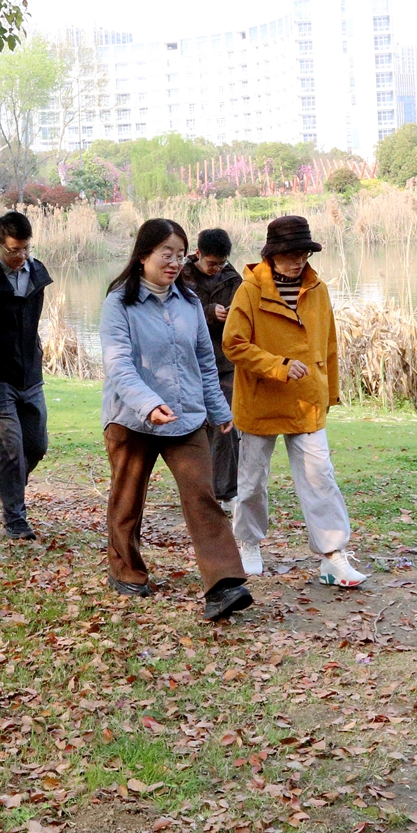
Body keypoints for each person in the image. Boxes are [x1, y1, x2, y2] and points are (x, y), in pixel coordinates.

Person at [99, 219, 253, 621]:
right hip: (131, 419)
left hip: (185, 417)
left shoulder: (188, 302)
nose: (173, 262)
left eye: (180, 254)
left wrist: (219, 409)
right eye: (165, 253)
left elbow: (204, 361)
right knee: (128, 499)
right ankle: (126, 570)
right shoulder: (119, 303)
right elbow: (119, 365)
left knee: (202, 494)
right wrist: (148, 404)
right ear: (143, 255)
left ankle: (223, 584)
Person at [222, 214, 366, 588]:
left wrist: (329, 392)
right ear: (271, 255)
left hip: (307, 401)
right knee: (252, 481)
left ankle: (333, 556)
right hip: (261, 399)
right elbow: (233, 344)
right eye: (290, 255)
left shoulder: (317, 289)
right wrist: (278, 366)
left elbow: (329, 344)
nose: (298, 261)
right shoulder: (249, 290)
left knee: (320, 478)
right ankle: (249, 542)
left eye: (303, 254)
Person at [0, 210, 53, 540]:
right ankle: (15, 518)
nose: (22, 256)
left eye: (27, 248)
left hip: (30, 373)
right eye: (15, 250)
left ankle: (7, 482)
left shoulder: (37, 272)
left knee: (37, 446)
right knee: (11, 447)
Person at [179, 227, 244, 510]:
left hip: (226, 362)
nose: (217, 268)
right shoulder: (181, 276)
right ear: (198, 254)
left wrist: (232, 315)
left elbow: (245, 313)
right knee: (197, 427)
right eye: (211, 263)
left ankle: (227, 491)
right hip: (191, 364)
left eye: (221, 263)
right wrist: (208, 312)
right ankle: (200, 488)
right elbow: (177, 314)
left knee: (227, 424)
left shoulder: (233, 278)